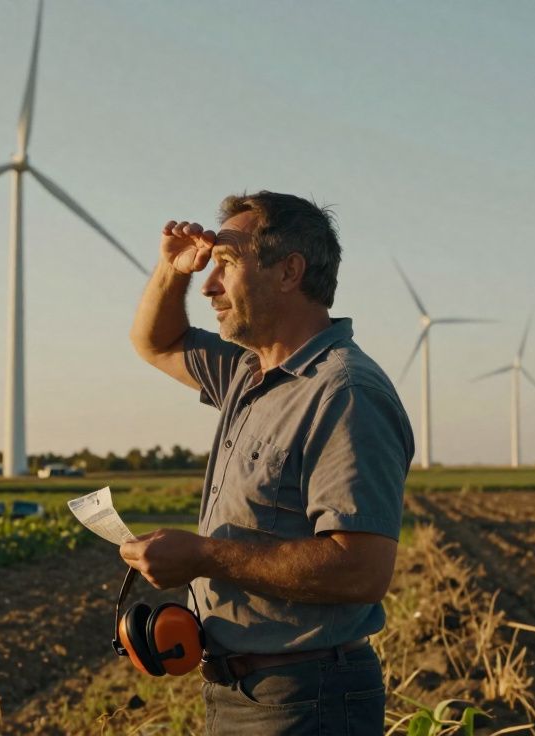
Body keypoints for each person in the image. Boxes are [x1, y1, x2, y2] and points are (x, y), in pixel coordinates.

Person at [123, 191, 415, 735]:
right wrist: (171, 269)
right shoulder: (246, 373)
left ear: (288, 272)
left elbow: (362, 569)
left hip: (309, 702)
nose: (208, 286)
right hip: (244, 695)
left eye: (226, 266)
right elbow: (155, 342)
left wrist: (205, 555)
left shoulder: (344, 392)